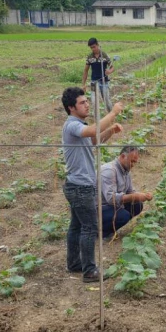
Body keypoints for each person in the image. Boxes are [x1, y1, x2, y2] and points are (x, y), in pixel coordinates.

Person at [61, 86, 124, 282]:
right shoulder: (72, 125)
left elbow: (95, 140)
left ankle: (74, 264)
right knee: (90, 227)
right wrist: (112, 113)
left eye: (87, 101)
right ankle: (89, 271)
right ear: (71, 107)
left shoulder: (79, 125)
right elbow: (92, 130)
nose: (87, 104)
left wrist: (110, 131)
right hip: (80, 187)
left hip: (77, 185)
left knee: (77, 226)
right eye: (82, 102)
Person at [100, 146, 153, 238]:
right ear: (122, 156)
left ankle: (112, 225)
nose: (133, 165)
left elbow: (130, 191)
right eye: (131, 161)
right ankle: (101, 231)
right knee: (124, 216)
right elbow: (110, 198)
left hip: (113, 206)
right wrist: (134, 197)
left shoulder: (126, 171)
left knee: (137, 205)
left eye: (135, 162)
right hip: (100, 208)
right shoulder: (109, 170)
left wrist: (143, 196)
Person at [82, 37, 114, 113]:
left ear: (97, 45)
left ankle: (111, 115)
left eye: (94, 47)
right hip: (94, 82)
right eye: (91, 48)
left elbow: (112, 67)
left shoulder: (104, 55)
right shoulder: (90, 57)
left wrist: (109, 71)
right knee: (94, 102)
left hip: (104, 82)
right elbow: (86, 70)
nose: (93, 49)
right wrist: (83, 84)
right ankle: (97, 120)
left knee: (107, 101)